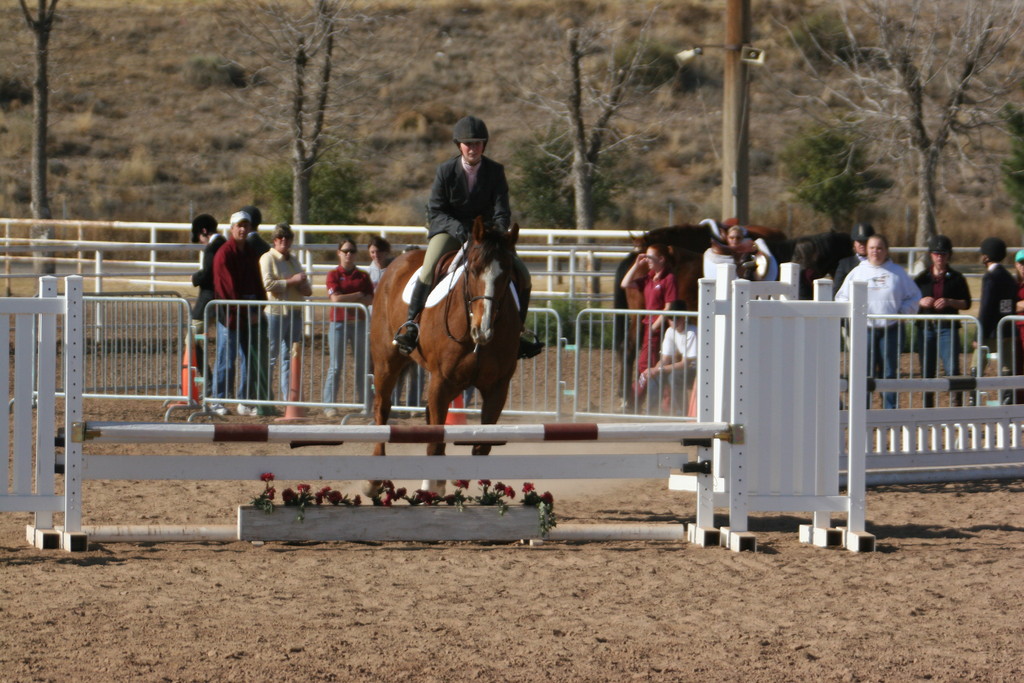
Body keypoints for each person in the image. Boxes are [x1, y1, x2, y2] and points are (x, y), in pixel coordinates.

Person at [392, 115, 543, 360]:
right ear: (459, 145)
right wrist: (460, 230)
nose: (473, 148)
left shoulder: (495, 171)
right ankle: (411, 324)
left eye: (478, 143)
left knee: (522, 274)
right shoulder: (445, 171)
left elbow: (502, 210)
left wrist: (496, 231)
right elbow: (437, 210)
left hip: (485, 236)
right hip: (451, 231)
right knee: (428, 268)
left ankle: (518, 332)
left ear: (484, 145)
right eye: (468, 143)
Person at [835, 234, 919, 409]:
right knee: (864, 372)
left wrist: (902, 312)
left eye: (880, 248)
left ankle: (890, 411)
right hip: (864, 330)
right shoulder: (858, 272)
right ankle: (862, 411)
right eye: (872, 248)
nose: (876, 252)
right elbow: (841, 297)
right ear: (867, 250)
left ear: (886, 250)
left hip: (891, 329)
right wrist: (854, 313)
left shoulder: (897, 273)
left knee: (889, 372)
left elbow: (914, 296)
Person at [212, 210, 274, 417]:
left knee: (249, 359)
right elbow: (226, 289)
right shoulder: (224, 253)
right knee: (225, 359)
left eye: (245, 226)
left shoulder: (250, 252)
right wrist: (247, 311)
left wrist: (259, 307)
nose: (242, 229)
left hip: (249, 315)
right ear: (232, 228)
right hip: (230, 317)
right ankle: (218, 399)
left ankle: (244, 400)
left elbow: (258, 283)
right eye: (239, 225)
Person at [913, 234, 971, 407]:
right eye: (937, 253)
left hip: (948, 327)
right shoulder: (921, 278)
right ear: (931, 255)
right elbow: (910, 301)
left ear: (949, 255)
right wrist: (920, 302)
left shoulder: (957, 278)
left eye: (943, 254)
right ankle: (927, 407)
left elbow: (966, 303)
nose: (940, 257)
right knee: (927, 370)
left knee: (952, 369)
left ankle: (955, 408)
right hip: (926, 327)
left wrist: (950, 302)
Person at [621, 242, 678, 407]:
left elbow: (669, 305)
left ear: (661, 258)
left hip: (657, 326)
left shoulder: (669, 278)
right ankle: (647, 401)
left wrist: (656, 325)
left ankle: (635, 401)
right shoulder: (648, 278)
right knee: (649, 364)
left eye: (650, 258)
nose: (647, 261)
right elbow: (625, 284)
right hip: (649, 325)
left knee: (647, 364)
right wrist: (636, 264)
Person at [260, 223, 312, 403]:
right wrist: (293, 281)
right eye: (280, 237)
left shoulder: (294, 259)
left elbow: (307, 287)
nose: (284, 240)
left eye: (287, 237)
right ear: (274, 240)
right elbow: (268, 284)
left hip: (295, 311)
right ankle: (265, 395)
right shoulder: (267, 258)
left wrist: (304, 286)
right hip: (276, 311)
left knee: (290, 356)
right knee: (271, 355)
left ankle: (288, 398)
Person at [322, 238, 374, 418]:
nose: (349, 254)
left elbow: (370, 299)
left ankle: (365, 402)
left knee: (362, 365)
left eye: (352, 251)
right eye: (345, 251)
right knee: (335, 366)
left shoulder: (363, 276)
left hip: (359, 323)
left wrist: (349, 297)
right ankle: (329, 404)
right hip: (339, 323)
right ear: (339, 253)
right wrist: (358, 295)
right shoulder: (333, 275)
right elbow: (335, 299)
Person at [636, 300, 698, 415]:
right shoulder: (670, 332)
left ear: (684, 318)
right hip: (685, 367)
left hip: (697, 369)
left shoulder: (692, 333)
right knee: (656, 376)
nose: (673, 322)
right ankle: (651, 413)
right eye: (670, 319)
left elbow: (685, 363)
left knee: (673, 377)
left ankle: (681, 413)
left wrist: (657, 369)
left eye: (676, 319)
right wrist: (654, 370)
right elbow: (665, 359)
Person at [975, 236, 1018, 403]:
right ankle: (1007, 402)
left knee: (977, 365)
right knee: (1007, 368)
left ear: (986, 257)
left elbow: (985, 307)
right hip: (1007, 329)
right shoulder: (1009, 277)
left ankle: (974, 400)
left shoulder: (990, 277)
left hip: (990, 331)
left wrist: (978, 334)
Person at [189, 213, 222, 383]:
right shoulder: (226, 243)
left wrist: (195, 278)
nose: (201, 241)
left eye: (200, 237)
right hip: (223, 300)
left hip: (207, 300)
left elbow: (208, 274)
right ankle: (220, 384)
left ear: (204, 231)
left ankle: (209, 381)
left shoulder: (211, 248)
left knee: (191, 340)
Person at [701, 219, 777, 281]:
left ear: (743, 238)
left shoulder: (751, 250)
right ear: (727, 238)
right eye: (731, 237)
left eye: (738, 238)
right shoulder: (714, 252)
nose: (735, 240)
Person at [833, 222, 874, 294]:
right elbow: (837, 290)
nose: (862, 245)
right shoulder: (845, 264)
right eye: (859, 241)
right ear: (854, 243)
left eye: (865, 241)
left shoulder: (879, 264)